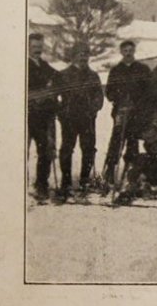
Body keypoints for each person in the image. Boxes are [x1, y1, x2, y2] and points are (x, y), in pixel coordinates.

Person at [56, 44, 104, 197]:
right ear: (73, 56)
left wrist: (93, 109)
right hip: (69, 119)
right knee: (66, 149)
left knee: (88, 149)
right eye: (80, 54)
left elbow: (99, 96)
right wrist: (61, 112)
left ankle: (85, 181)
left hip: (87, 118)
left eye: (85, 54)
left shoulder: (93, 76)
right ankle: (66, 182)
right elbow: (54, 96)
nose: (83, 57)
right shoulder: (63, 75)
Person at [103, 40, 153, 185]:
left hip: (137, 113)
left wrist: (139, 103)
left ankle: (131, 172)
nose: (128, 53)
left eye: (130, 50)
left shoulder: (143, 69)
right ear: (121, 52)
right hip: (121, 112)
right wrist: (120, 99)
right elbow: (109, 92)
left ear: (134, 51)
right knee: (117, 141)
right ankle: (110, 170)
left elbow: (150, 91)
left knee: (133, 142)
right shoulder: (116, 70)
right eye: (125, 51)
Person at [28, 32, 59, 200]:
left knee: (45, 150)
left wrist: (52, 89)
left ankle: (41, 184)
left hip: (42, 117)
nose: (37, 50)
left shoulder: (45, 66)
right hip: (25, 116)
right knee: (21, 153)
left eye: (40, 47)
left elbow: (58, 78)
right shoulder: (21, 65)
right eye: (34, 47)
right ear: (28, 47)